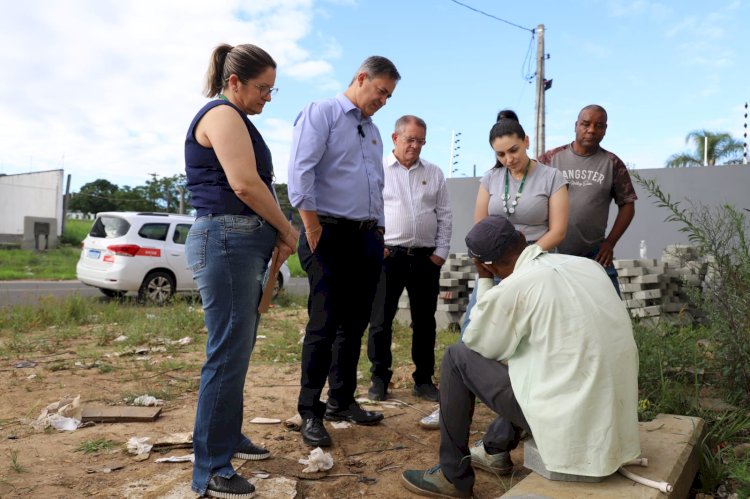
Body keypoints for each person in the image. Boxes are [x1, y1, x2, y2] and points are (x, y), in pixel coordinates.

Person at [402, 215, 641, 498]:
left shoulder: (515, 287)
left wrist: (484, 279)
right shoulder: (587, 265)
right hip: (616, 421)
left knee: (458, 357)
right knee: (537, 359)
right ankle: (495, 447)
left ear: (485, 263)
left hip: (571, 427)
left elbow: (478, 343)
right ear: (520, 237)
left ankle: (452, 477)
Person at [184, 44, 300, 499]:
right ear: (235, 82)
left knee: (237, 349)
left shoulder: (238, 119)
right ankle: (210, 467)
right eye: (263, 88)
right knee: (227, 352)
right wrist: (286, 228)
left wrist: (274, 233)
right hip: (225, 239)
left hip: (239, 240)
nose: (268, 97)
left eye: (273, 89)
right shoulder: (221, 115)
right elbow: (245, 184)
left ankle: (227, 439)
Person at [420, 113, 569, 429]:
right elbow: (480, 226)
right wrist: (492, 264)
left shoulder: (552, 177)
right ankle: (451, 408)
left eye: (514, 150)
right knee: (472, 331)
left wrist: (525, 260)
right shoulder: (490, 178)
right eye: (500, 154)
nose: (509, 159)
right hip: (495, 267)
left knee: (530, 339)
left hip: (536, 267)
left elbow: (558, 230)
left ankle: (523, 412)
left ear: (526, 141)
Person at [288, 56, 401, 448]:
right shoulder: (323, 113)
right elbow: (300, 170)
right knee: (324, 323)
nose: (384, 101)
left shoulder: (372, 131)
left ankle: (341, 399)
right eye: (381, 91)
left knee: (354, 325)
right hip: (328, 232)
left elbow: (376, 185)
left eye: (390, 96)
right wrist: (312, 224)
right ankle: (309, 410)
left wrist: (380, 232)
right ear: (361, 78)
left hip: (366, 238)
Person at [366, 115, 452, 403]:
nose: (415, 146)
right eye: (410, 140)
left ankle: (424, 380)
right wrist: (376, 246)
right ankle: (379, 378)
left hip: (425, 259)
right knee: (380, 321)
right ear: (395, 138)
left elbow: (445, 215)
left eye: (421, 141)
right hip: (389, 256)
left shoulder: (435, 173)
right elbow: (367, 208)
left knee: (425, 322)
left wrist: (440, 253)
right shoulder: (377, 169)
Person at [538, 104, 637, 294]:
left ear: (605, 129)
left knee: (610, 307)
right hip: (551, 252)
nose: (591, 130)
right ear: (576, 125)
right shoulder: (551, 159)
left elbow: (628, 206)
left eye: (599, 125)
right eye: (585, 124)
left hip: (595, 252)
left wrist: (610, 243)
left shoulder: (612, 163)